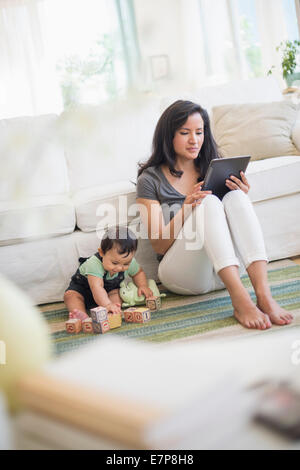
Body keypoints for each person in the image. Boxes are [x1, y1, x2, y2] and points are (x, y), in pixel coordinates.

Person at [136, 100, 293, 330]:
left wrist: (240, 194)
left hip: (224, 271)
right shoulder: (149, 180)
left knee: (237, 197)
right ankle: (241, 300)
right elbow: (159, 246)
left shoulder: (212, 165)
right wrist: (188, 206)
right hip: (182, 275)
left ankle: (264, 296)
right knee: (207, 201)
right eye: (185, 133)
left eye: (199, 132)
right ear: (168, 136)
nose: (194, 140)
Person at [64, 226, 153, 320]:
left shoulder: (129, 262)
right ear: (102, 253)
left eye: (126, 264)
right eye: (114, 263)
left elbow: (138, 273)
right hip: (83, 290)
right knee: (70, 296)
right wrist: (107, 304)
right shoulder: (94, 264)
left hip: (108, 292)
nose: (119, 268)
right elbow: (97, 287)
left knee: (116, 295)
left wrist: (143, 285)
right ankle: (81, 314)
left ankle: (112, 312)